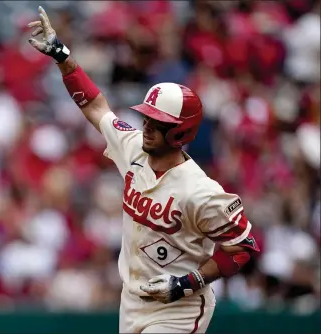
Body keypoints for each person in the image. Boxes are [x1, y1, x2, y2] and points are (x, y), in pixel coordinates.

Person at [28, 6, 260, 333]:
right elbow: (96, 106)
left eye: (158, 122)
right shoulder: (133, 146)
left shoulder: (201, 191)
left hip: (179, 308)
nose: (147, 126)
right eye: (147, 118)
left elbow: (243, 249)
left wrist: (186, 283)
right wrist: (61, 55)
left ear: (180, 131)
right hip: (132, 301)